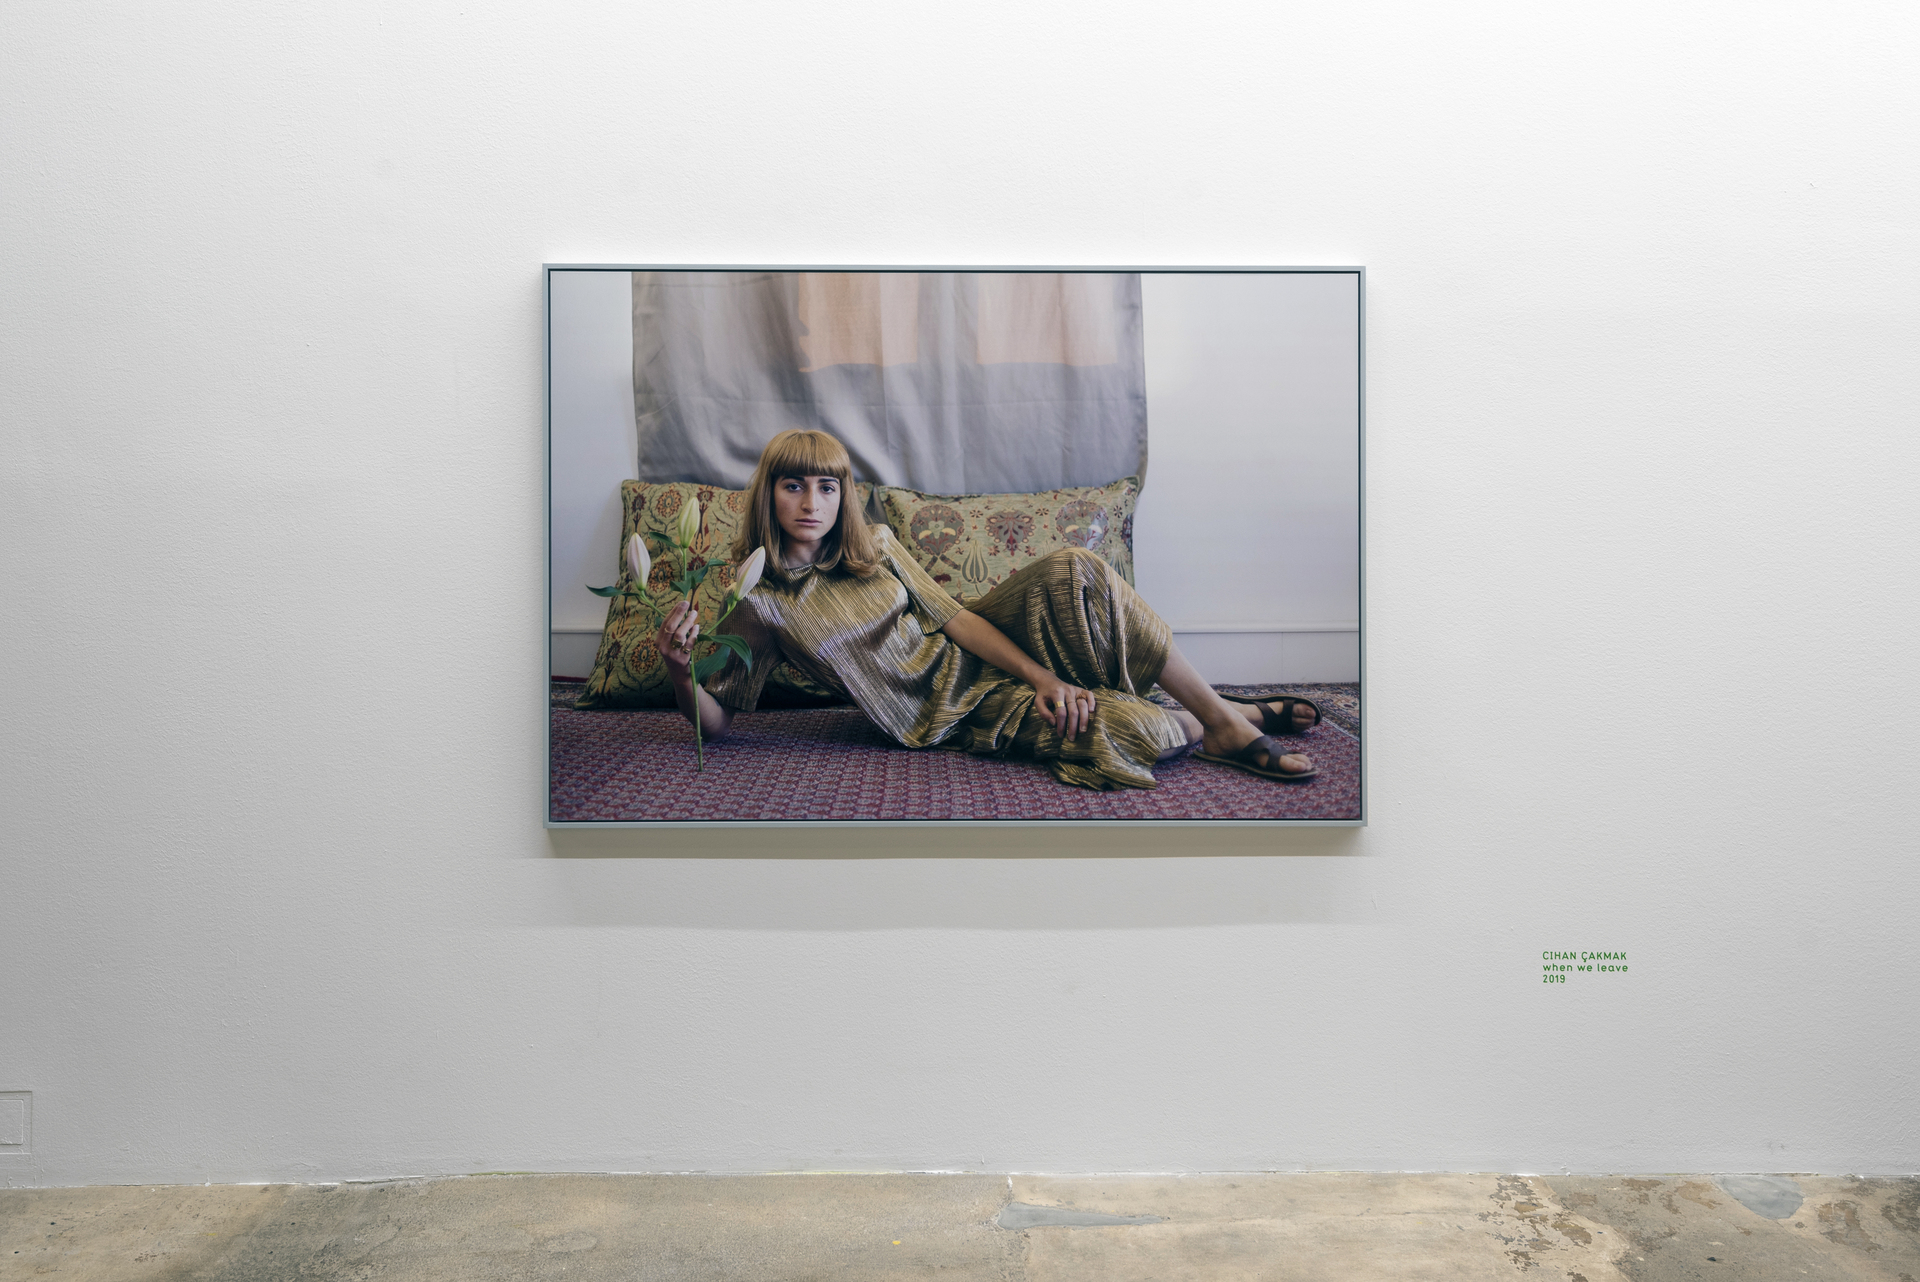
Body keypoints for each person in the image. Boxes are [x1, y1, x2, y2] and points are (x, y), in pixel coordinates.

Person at [655, 429, 1319, 789]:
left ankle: (1219, 721)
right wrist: (680, 671)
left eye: (827, 486)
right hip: (952, 716)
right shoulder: (759, 603)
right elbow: (717, 721)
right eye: (793, 485)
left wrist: (1043, 677)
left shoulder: (877, 545)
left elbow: (958, 620)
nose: (811, 502)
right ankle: (1235, 716)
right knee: (1131, 734)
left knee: (1077, 570)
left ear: (843, 496)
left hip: (983, 648)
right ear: (767, 494)